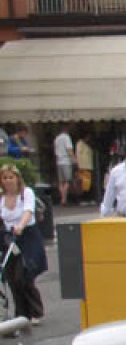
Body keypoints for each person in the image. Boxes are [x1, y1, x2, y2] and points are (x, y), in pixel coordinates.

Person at [0, 160, 47, 326]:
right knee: (12, 278)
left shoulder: (26, 193)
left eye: (10, 177)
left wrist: (21, 224)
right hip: (9, 239)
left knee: (24, 276)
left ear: (17, 178)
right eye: (4, 178)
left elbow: (28, 211)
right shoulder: (2, 197)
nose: (7, 181)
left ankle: (35, 311)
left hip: (27, 236)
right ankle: (20, 313)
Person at [53, 125, 75, 205]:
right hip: (66, 161)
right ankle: (64, 199)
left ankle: (62, 198)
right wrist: (74, 159)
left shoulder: (57, 139)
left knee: (61, 182)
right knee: (67, 181)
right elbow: (69, 149)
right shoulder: (66, 137)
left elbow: (56, 152)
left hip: (59, 161)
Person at [75, 132, 96, 202]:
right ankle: (83, 198)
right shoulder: (80, 144)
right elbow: (78, 154)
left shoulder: (86, 145)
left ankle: (87, 197)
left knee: (87, 183)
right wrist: (78, 165)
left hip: (88, 166)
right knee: (85, 183)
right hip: (83, 166)